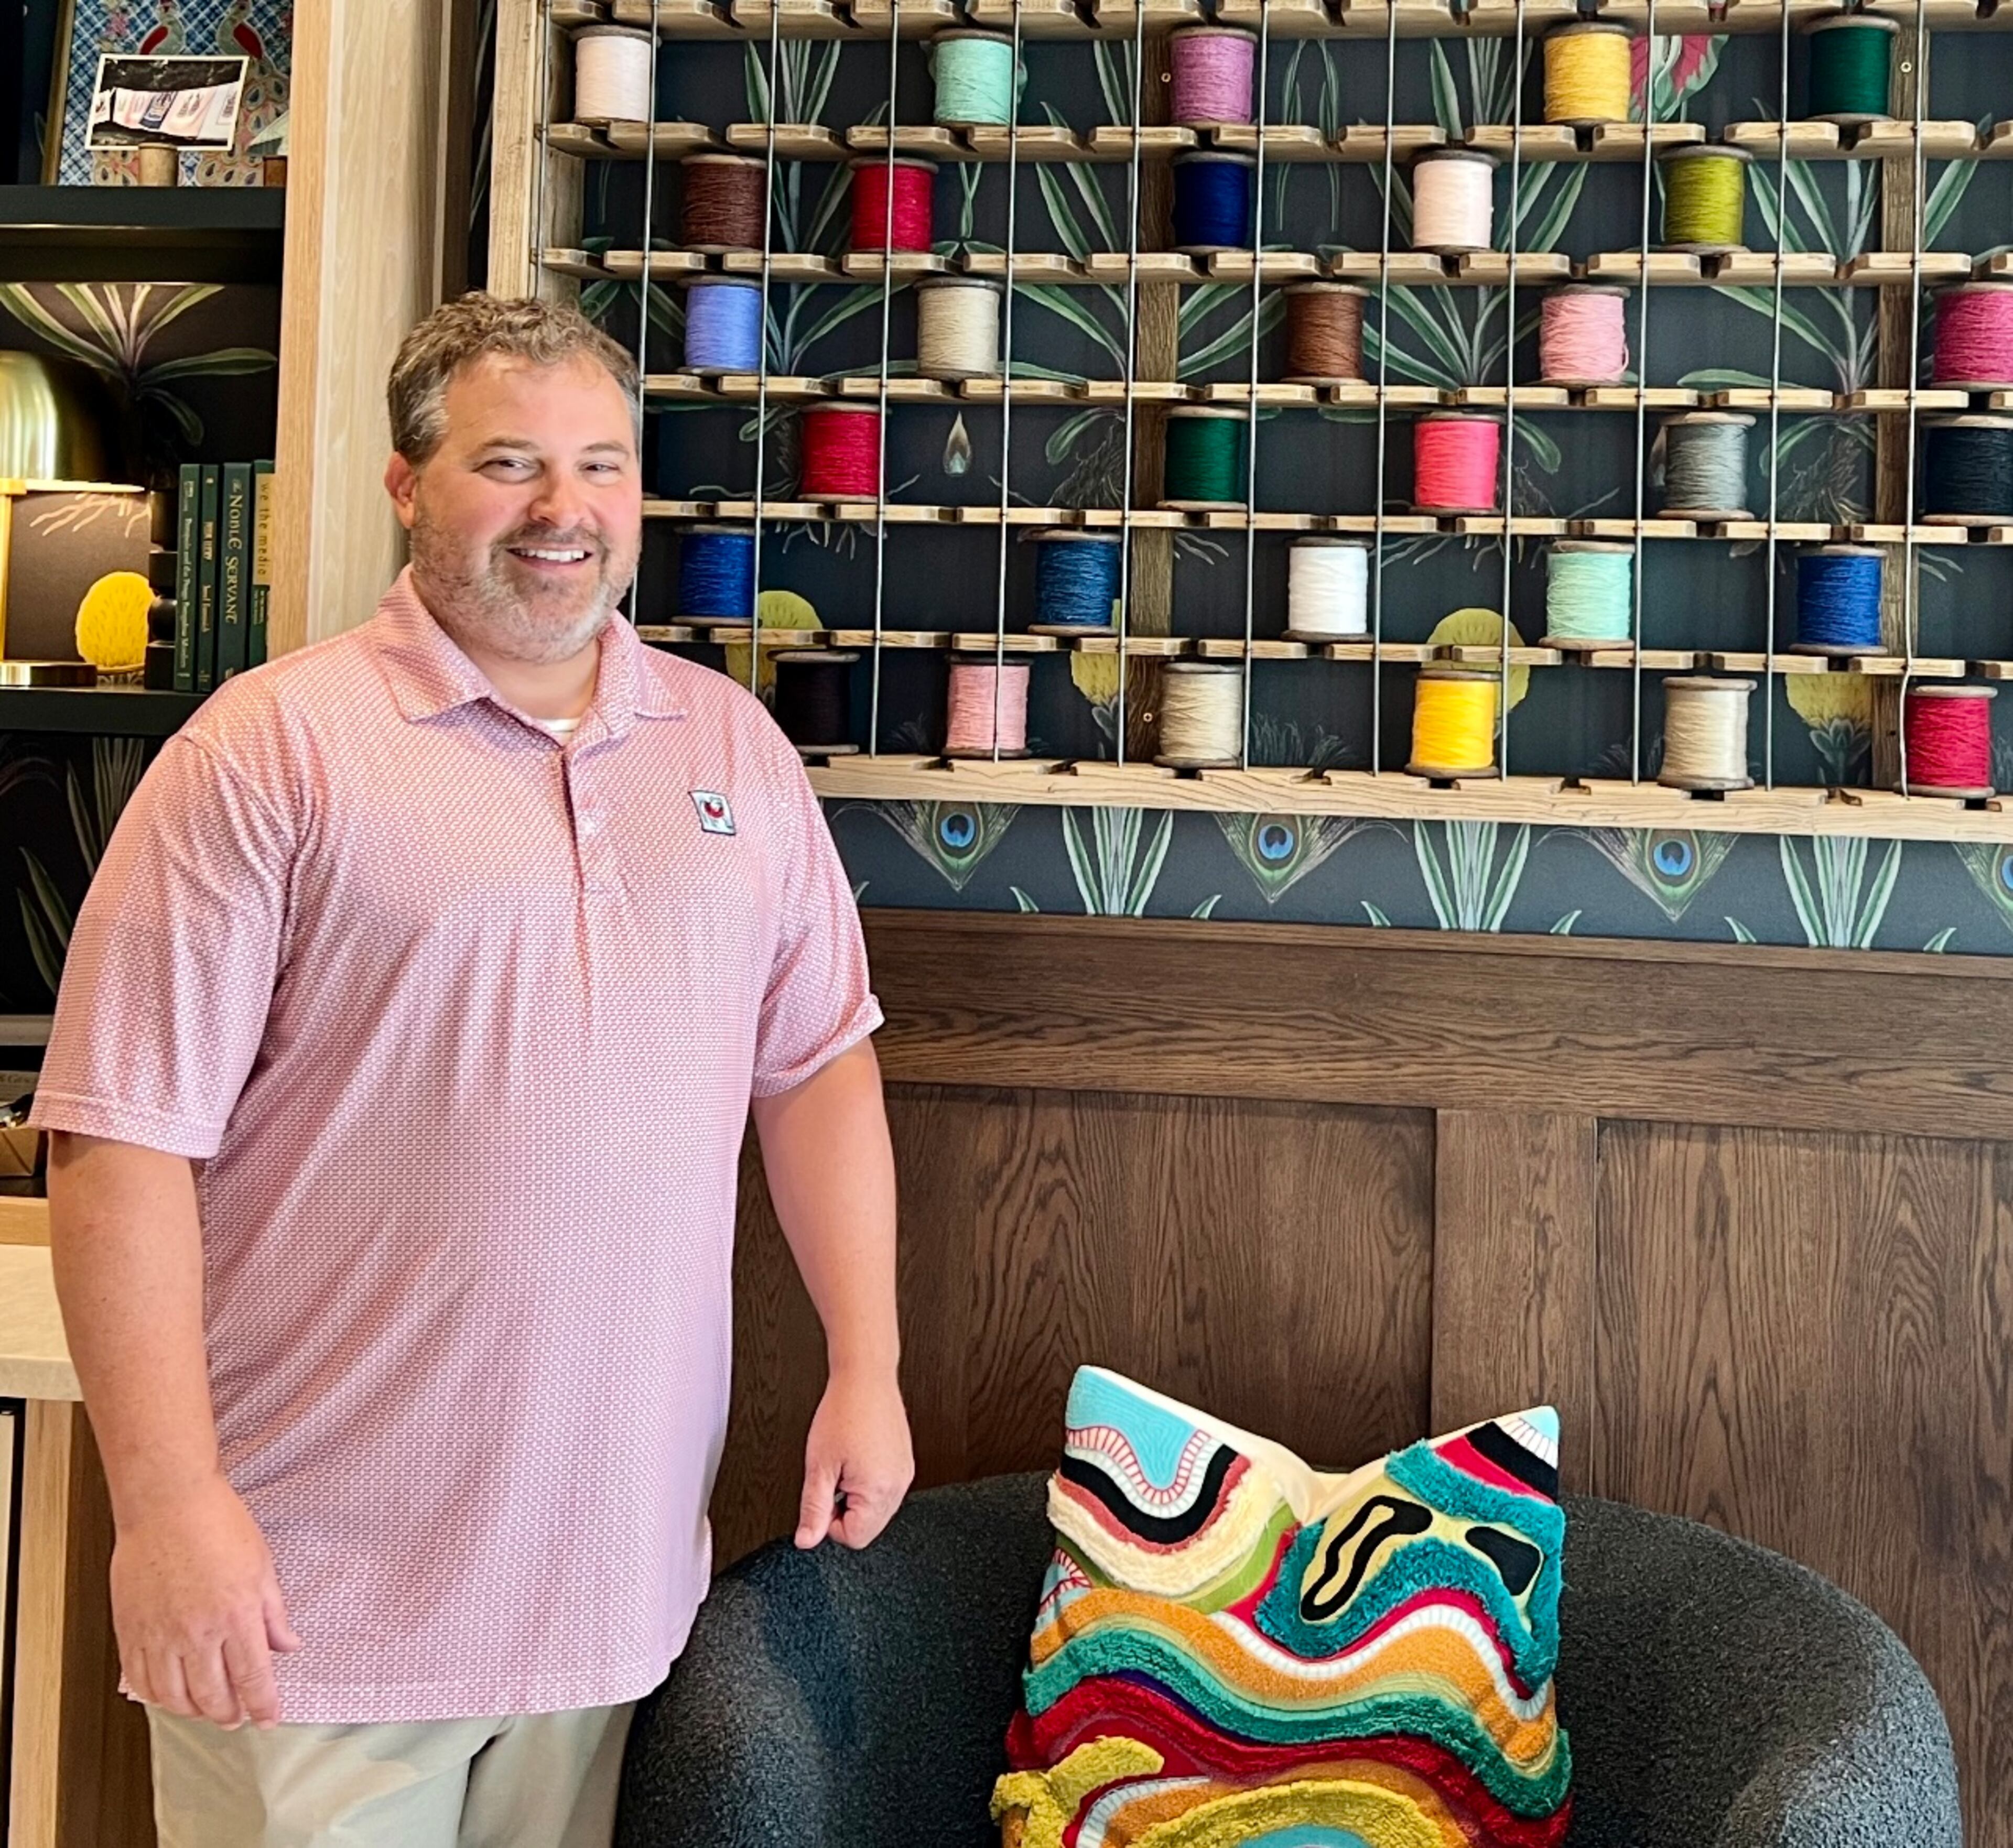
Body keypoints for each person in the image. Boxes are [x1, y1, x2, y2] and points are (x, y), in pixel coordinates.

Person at [31, 291, 914, 1848]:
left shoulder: (732, 755)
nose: (566, 510)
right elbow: (117, 1148)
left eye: (603, 465)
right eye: (510, 463)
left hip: (611, 1598)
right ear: (408, 484)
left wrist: (868, 1362)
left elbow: (818, 1070)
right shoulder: (264, 756)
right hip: (308, 1612)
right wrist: (168, 1507)